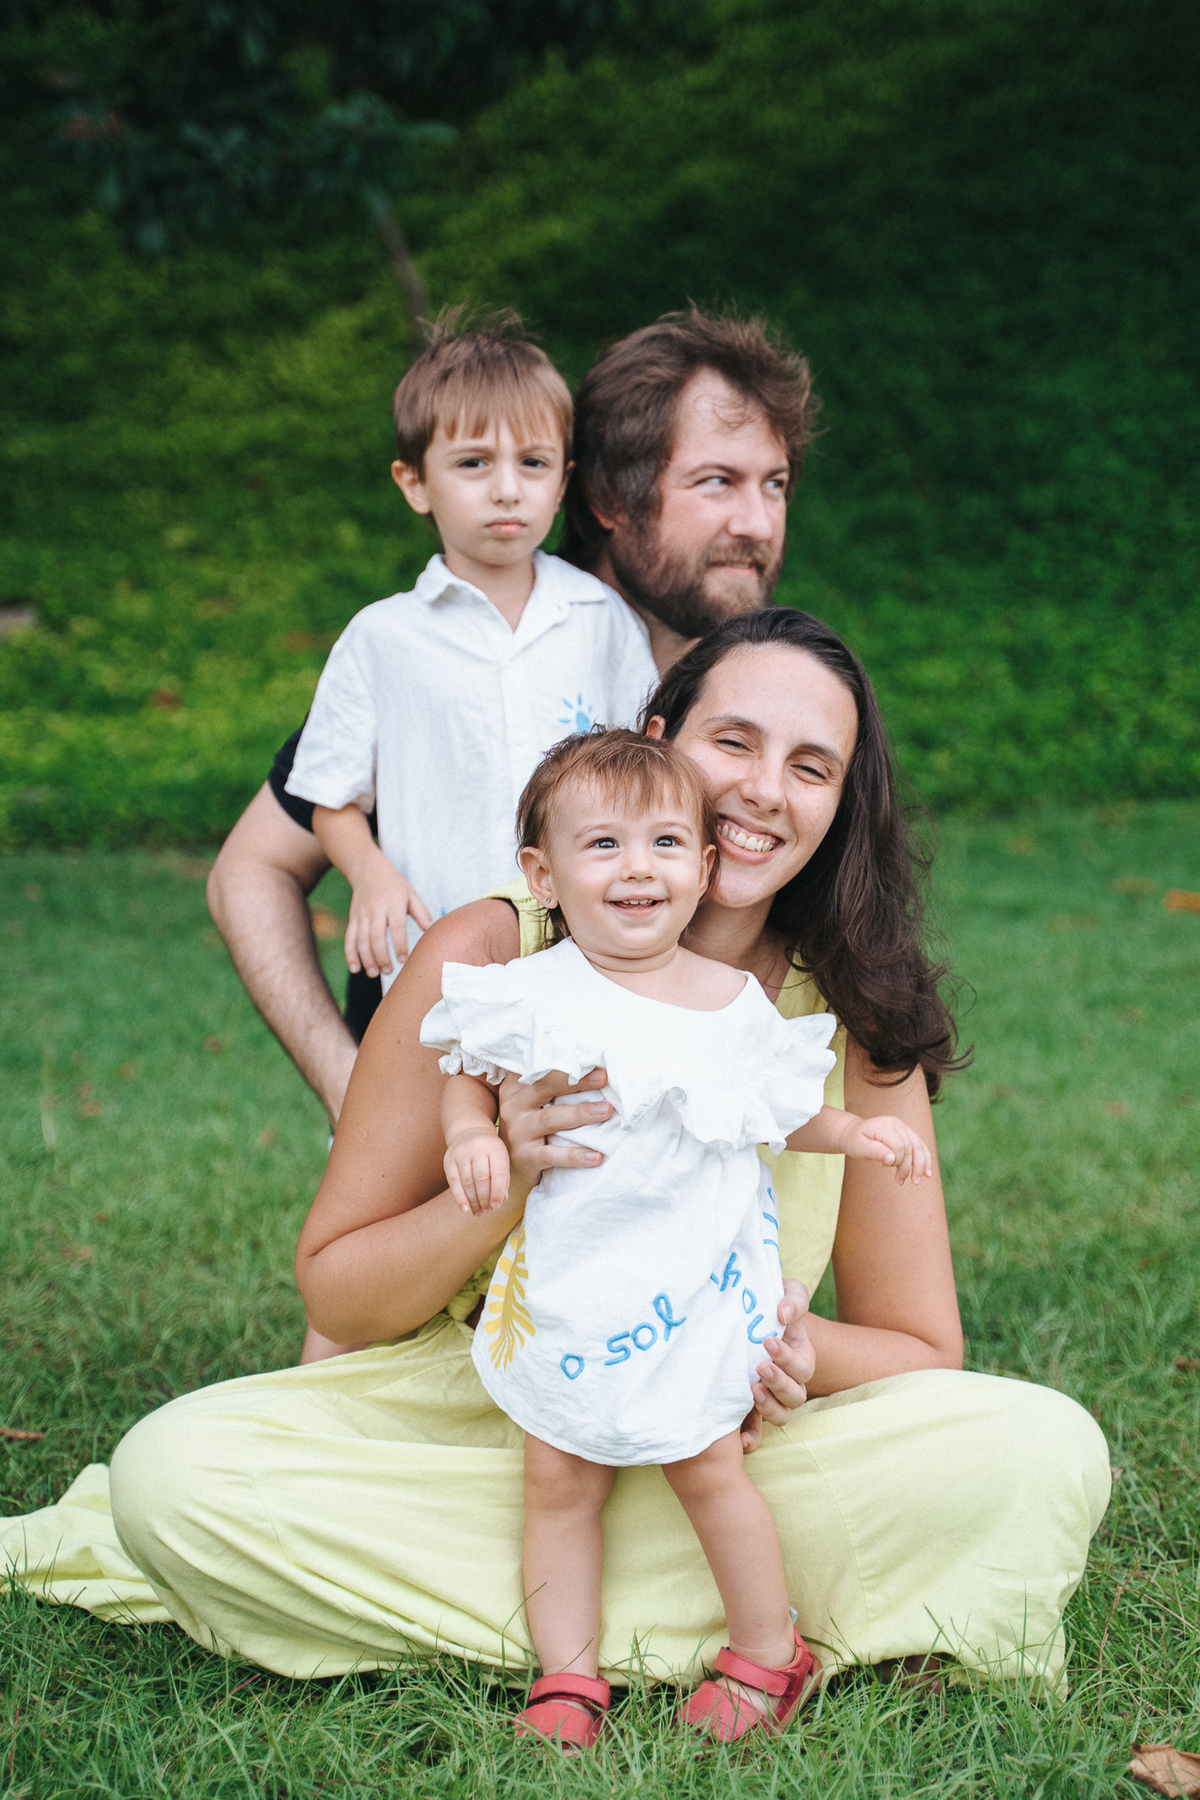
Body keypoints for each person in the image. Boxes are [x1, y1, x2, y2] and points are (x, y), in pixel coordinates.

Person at [3, 608, 1110, 1705]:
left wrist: (795, 1350)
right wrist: (499, 1183)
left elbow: (925, 1349)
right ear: (660, 738)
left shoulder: (848, 1020)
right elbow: (338, 1287)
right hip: (498, 1430)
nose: (767, 790)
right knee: (171, 1481)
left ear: (841, 807)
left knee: (1044, 1448)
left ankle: (584, 1632)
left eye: (812, 767)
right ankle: (719, 1621)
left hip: (729, 1440)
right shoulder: (495, 961)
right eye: (733, 743)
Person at [425, 727, 931, 1748]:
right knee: (558, 1481)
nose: (637, 868)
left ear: (703, 868)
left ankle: (765, 1647)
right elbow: (465, 1080)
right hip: (576, 1288)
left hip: (694, 1289)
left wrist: (857, 1133)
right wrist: (471, 1141)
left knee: (711, 1469)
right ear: (545, 874)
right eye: (602, 846)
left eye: (664, 843)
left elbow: (774, 1115)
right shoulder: (533, 989)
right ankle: (566, 1675)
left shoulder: (729, 1003)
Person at [205, 307, 817, 1137]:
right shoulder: (436, 648)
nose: (757, 521)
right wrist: (355, 1093)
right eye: (717, 481)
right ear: (605, 496)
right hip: (440, 1075)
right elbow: (252, 870)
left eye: (774, 483)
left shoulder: (776, 695)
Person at [282, 315, 656, 991]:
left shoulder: (602, 622)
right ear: (414, 481)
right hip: (428, 968)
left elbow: (645, 779)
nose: (507, 488)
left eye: (533, 463)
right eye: (474, 463)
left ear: (563, 480)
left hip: (578, 965)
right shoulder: (381, 639)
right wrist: (370, 874)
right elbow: (331, 797)